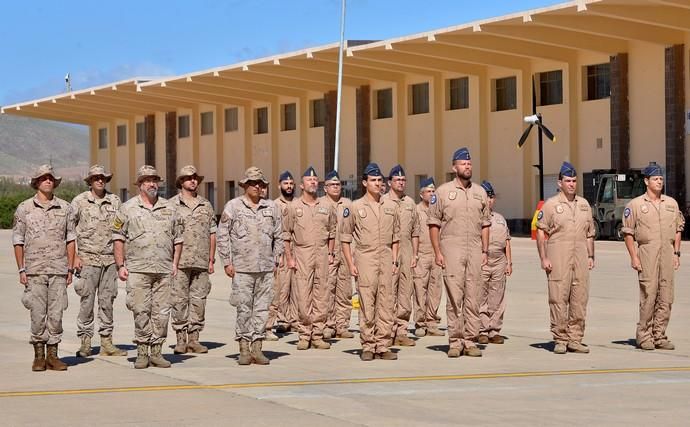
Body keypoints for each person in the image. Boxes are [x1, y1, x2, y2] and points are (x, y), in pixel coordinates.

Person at [113, 165, 183, 369]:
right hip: (137, 269)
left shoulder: (170, 208)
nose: (152, 184)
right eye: (147, 180)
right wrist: (120, 265)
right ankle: (142, 351)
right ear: (140, 185)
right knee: (141, 310)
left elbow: (178, 239)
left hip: (163, 270)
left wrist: (175, 264)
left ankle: (157, 351)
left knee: (161, 312)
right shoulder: (127, 208)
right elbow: (118, 238)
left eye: (155, 180)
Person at [217, 167, 283, 365]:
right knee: (244, 309)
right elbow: (223, 235)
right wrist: (227, 262)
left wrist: (276, 259)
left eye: (260, 184)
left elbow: (279, 235)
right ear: (245, 185)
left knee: (262, 309)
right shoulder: (234, 206)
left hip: (265, 267)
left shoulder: (271, 207)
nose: (257, 187)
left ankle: (257, 347)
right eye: (253, 183)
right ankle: (244, 347)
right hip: (242, 268)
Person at [428, 147, 490, 358]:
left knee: (473, 296)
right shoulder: (442, 192)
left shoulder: (480, 192)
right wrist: (438, 251)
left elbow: (485, 224)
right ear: (454, 167)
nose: (467, 166)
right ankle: (455, 341)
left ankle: (470, 341)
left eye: (470, 163)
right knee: (455, 297)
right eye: (463, 164)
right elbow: (433, 224)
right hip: (451, 247)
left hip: (474, 247)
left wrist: (484, 250)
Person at [13, 164, 75, 371]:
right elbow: (18, 240)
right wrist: (21, 269)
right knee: (38, 314)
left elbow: (71, 240)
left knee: (56, 314)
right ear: (36, 183)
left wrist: (70, 269)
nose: (48, 180)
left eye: (51, 178)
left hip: (58, 269)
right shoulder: (24, 208)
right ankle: (39, 356)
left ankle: (53, 355)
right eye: (43, 178)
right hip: (35, 269)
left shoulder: (65, 208)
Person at [341, 163, 401, 361]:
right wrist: (351, 264)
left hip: (385, 256)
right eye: (373, 180)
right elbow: (345, 238)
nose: (377, 184)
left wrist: (394, 260)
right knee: (367, 302)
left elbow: (396, 237)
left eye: (379, 181)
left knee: (386, 302)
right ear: (365, 183)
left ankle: (383, 345)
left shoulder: (392, 206)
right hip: (365, 257)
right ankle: (368, 344)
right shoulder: (355, 207)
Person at [622, 162, 684, 351]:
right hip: (647, 252)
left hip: (667, 251)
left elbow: (678, 229)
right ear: (646, 181)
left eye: (661, 179)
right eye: (655, 179)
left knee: (666, 295)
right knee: (649, 294)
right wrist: (634, 257)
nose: (659, 182)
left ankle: (660, 334)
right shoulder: (636, 205)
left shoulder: (671, 204)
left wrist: (676, 253)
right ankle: (644, 335)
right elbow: (628, 233)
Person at [536, 161, 595, 354]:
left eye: (574, 181)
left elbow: (589, 234)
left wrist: (591, 255)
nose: (571, 184)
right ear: (559, 182)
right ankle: (560, 338)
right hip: (558, 254)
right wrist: (543, 258)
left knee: (579, 298)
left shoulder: (584, 205)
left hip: (580, 255)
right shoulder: (551, 205)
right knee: (558, 297)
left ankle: (575, 338)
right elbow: (541, 233)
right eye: (568, 180)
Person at [71, 165, 127, 358]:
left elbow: (121, 230)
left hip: (110, 260)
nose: (100, 180)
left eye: (103, 177)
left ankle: (106, 342)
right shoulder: (79, 202)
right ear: (90, 181)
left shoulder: (115, 201)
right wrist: (75, 257)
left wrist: (122, 259)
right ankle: (85, 342)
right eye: (96, 178)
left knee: (107, 301)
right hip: (88, 259)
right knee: (87, 301)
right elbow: (69, 230)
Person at [283, 167, 336, 350]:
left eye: (315, 180)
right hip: (302, 254)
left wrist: (330, 254)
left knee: (322, 296)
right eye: (309, 180)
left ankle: (318, 334)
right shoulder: (293, 207)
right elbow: (286, 235)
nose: (313, 183)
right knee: (303, 296)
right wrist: (289, 258)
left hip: (321, 253)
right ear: (301, 185)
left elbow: (332, 232)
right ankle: (305, 334)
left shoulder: (326, 206)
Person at [169, 165, 217, 354]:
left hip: (201, 261)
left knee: (199, 300)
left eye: (195, 177)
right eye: (189, 178)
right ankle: (181, 339)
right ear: (181, 182)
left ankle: (194, 338)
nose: (193, 181)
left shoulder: (205, 205)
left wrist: (211, 260)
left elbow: (213, 233)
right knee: (179, 300)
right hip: (180, 262)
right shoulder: (171, 205)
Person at [384, 165, 420, 347]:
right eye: (397, 180)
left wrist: (415, 254)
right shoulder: (382, 202)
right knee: (388, 293)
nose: (401, 182)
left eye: (404, 180)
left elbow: (415, 231)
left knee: (405, 293)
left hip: (406, 250)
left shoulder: (410, 203)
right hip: (388, 250)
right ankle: (387, 331)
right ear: (389, 182)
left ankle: (402, 331)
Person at [321, 170, 355, 339]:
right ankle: (329, 324)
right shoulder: (320, 205)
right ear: (325, 188)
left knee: (345, 290)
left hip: (346, 252)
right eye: (332, 185)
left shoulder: (348, 204)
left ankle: (342, 325)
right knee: (328, 289)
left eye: (338, 184)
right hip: (329, 253)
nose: (335, 187)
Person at [477, 181, 512, 345]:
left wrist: (509, 262)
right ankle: (482, 330)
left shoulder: (500, 219)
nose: (489, 201)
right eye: (486, 197)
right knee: (480, 296)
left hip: (499, 261)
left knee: (497, 297)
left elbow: (507, 241)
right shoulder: (475, 218)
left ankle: (494, 330)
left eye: (491, 197)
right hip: (482, 260)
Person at [266, 170, 296, 339]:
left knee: (297, 289)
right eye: (286, 183)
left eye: (291, 183)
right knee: (279, 290)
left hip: (299, 250)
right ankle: (275, 323)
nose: (289, 186)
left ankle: (293, 320)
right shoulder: (274, 205)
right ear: (279, 185)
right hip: (281, 252)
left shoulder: (299, 204)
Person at [412, 177, 444, 338]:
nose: (431, 194)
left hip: (436, 254)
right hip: (421, 254)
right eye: (428, 191)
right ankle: (420, 322)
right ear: (421, 194)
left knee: (435, 289)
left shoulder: (439, 211)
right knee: (420, 289)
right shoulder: (416, 211)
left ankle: (431, 321)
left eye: (433, 191)